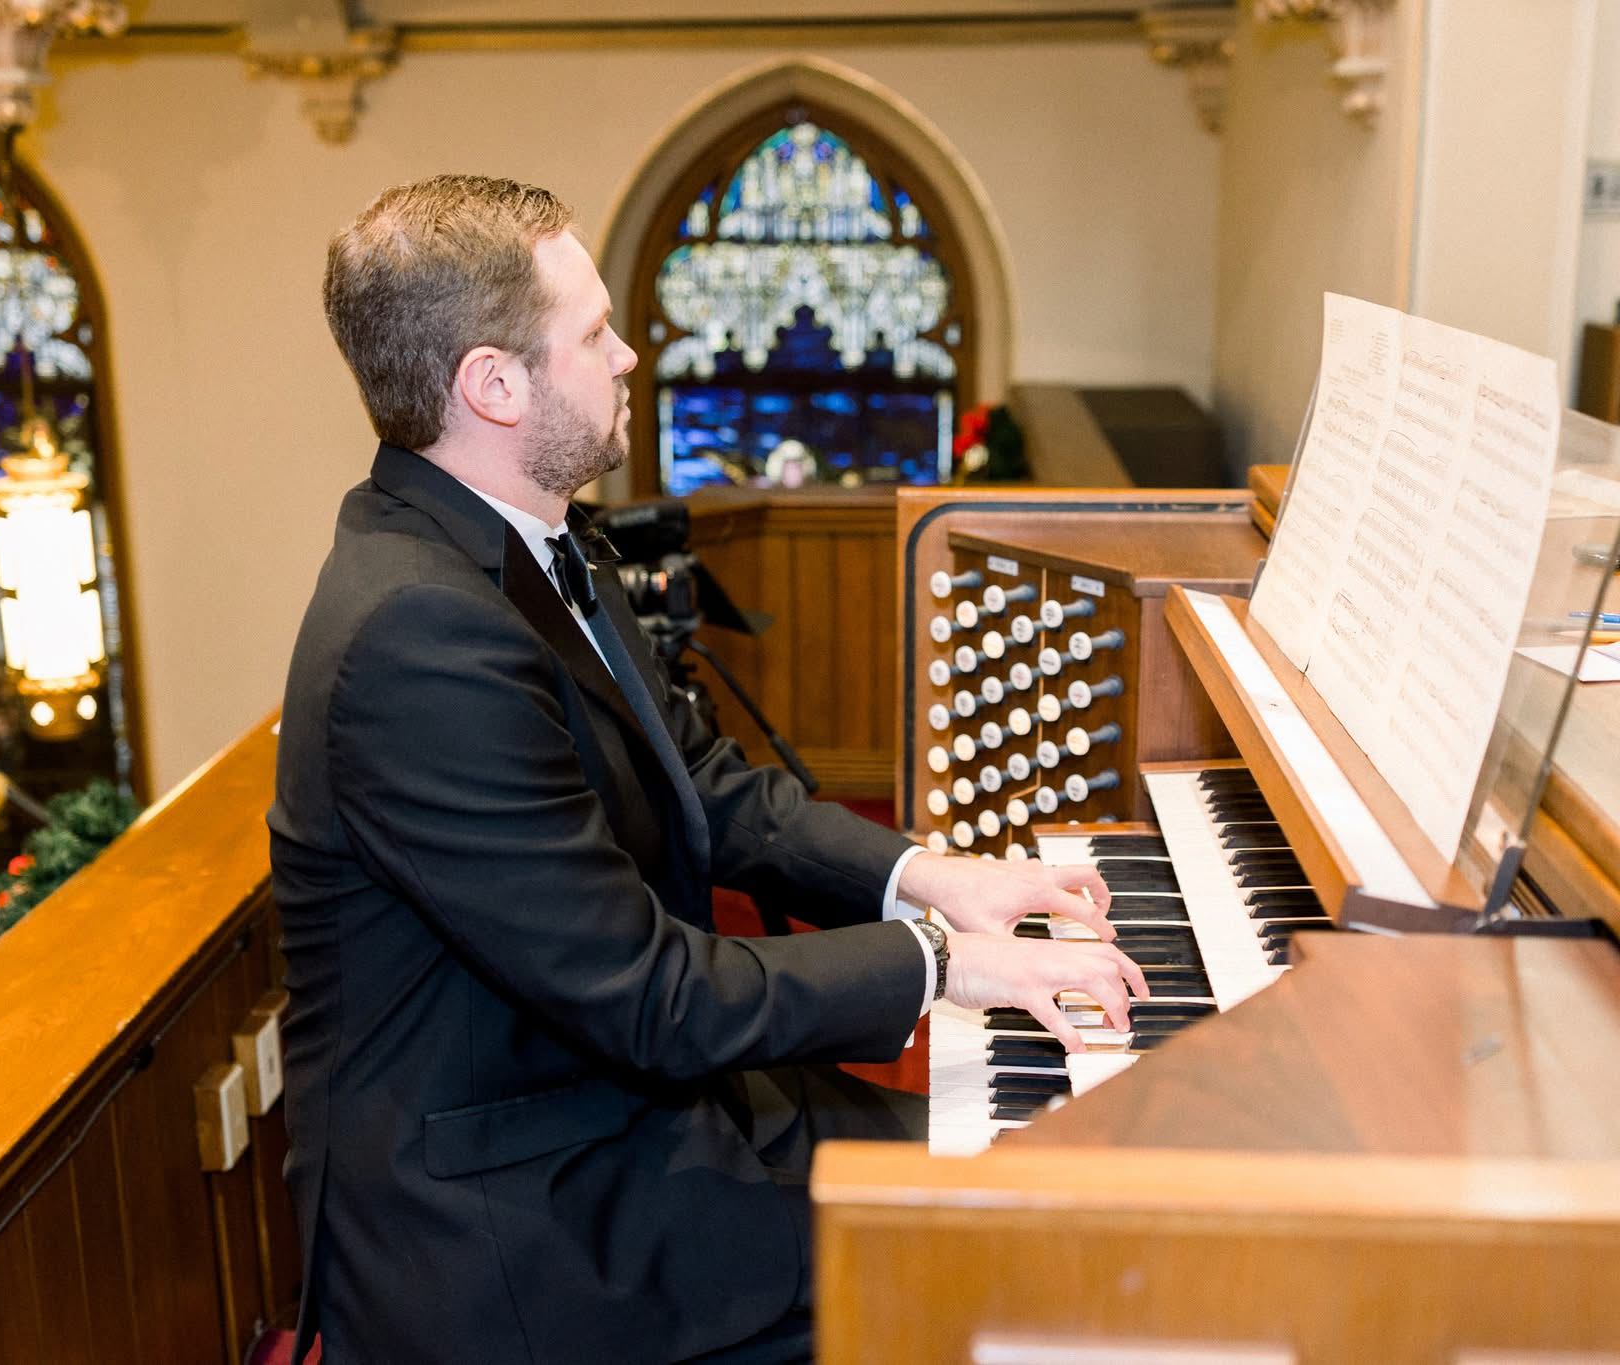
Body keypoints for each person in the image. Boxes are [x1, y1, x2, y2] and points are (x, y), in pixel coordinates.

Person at [266, 175, 1146, 1365]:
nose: (628, 354)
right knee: (1027, 1254)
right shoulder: (418, 636)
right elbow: (651, 999)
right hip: (517, 1222)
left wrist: (930, 878)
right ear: (494, 384)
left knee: (1046, 1159)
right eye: (591, 333)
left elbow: (703, 783)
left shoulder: (529, 533)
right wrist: (942, 967)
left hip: (613, 1107)